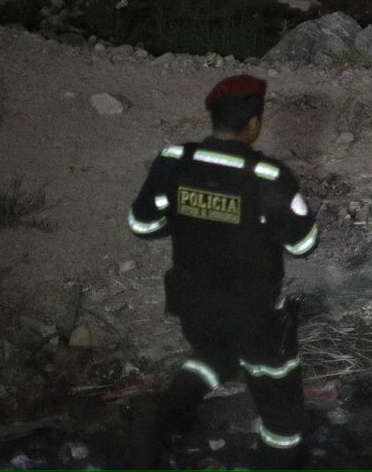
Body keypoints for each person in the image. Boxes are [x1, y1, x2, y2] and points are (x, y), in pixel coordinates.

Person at [127, 74, 319, 468]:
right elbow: (303, 244)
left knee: (213, 356)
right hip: (253, 315)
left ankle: (154, 433)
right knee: (283, 417)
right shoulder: (268, 178)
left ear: (212, 118)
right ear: (255, 124)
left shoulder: (174, 161)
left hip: (194, 305)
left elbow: (142, 224)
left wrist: (186, 220)